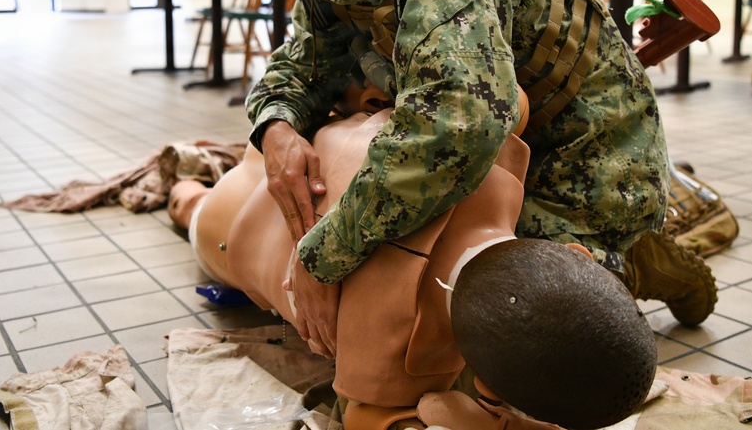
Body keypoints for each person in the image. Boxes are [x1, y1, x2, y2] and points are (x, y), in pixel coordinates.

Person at [206, 0, 716, 355]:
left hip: (587, 167)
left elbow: (454, 127)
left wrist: (322, 258)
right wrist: (275, 129)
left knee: (503, 305)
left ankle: (633, 260)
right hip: (504, 150)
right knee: (406, 260)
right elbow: (296, 68)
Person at [168, 105, 658, 430]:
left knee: (212, 188)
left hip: (298, 143)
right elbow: (376, 418)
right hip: (227, 230)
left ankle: (195, 175)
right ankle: (181, 189)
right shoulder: (385, 345)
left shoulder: (493, 154)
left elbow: (510, 99)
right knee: (188, 204)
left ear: (578, 254)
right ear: (485, 386)